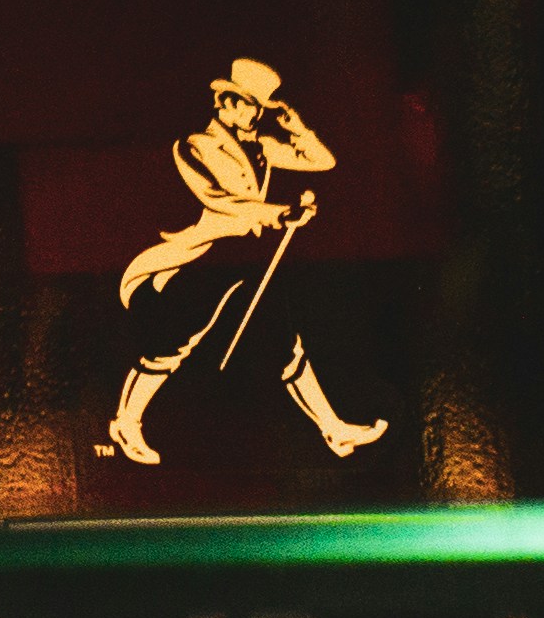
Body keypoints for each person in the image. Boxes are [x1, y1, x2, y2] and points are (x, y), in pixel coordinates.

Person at [102, 56, 384, 466]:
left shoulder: (264, 147)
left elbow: (324, 161)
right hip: (207, 256)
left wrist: (296, 127)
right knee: (171, 345)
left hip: (250, 259)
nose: (254, 114)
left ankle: (333, 429)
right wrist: (278, 213)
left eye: (259, 106)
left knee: (288, 344)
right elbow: (219, 201)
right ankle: (126, 424)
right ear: (225, 102)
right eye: (247, 104)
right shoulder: (195, 144)